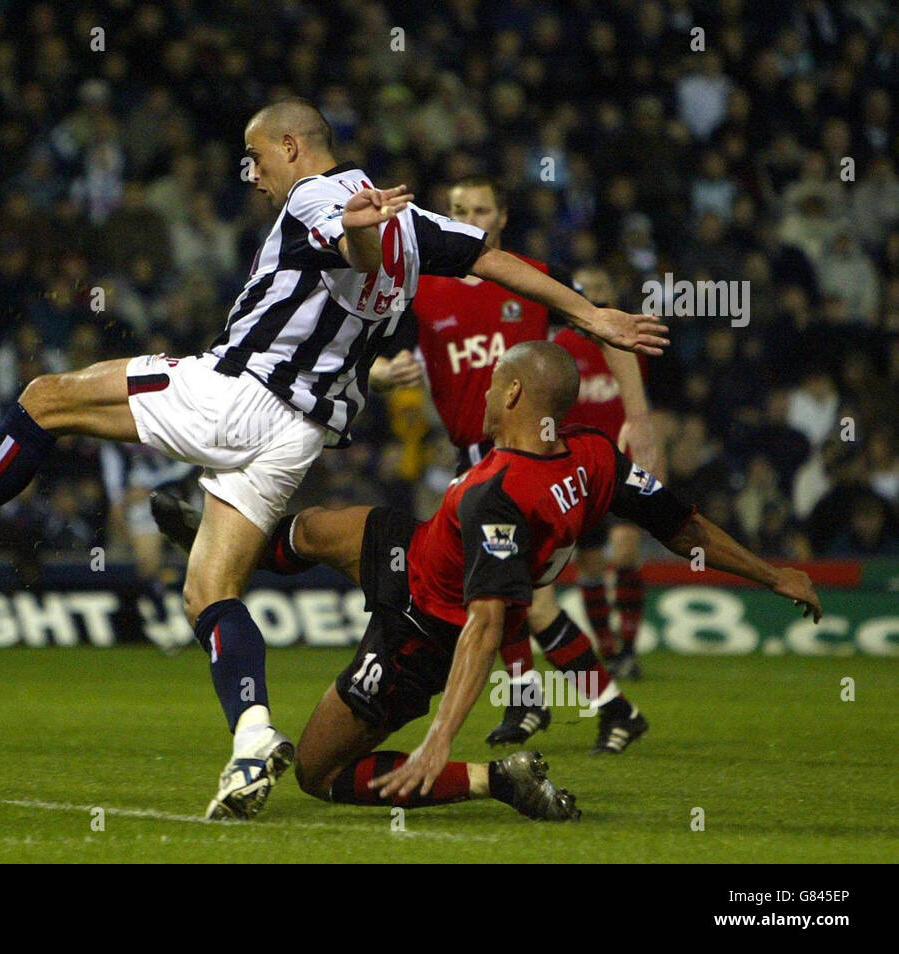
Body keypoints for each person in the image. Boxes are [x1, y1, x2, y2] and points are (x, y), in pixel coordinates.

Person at [0, 99, 668, 820]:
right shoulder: (415, 224)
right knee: (210, 589)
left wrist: (360, 234)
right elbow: (492, 260)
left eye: (255, 157)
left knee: (49, 396)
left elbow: (343, 240)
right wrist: (589, 315)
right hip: (297, 437)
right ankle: (252, 735)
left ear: (294, 147)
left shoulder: (321, 193)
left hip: (240, 396)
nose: (251, 175)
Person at [155, 342, 821, 810]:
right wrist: (774, 574)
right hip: (414, 547)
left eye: (493, 381)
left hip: (419, 628)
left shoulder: (497, 496)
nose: (484, 392)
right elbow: (686, 527)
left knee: (318, 772)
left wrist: (436, 742)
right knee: (316, 528)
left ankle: (494, 781)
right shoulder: (594, 456)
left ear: (513, 392)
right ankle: (219, 538)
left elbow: (484, 624)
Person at [368, 177, 662, 751]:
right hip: (470, 458)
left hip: (526, 460)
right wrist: (380, 375)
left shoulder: (531, 277)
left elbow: (606, 327)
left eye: (480, 209)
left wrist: (640, 417)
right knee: (501, 594)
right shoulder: (419, 281)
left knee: (517, 595)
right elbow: (360, 342)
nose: (469, 219)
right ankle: (542, 702)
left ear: (502, 215)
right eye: (456, 210)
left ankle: (599, 706)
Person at [554, 265, 648, 679]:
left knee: (626, 552)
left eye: (601, 287)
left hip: (624, 463)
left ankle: (628, 649)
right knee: (590, 565)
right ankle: (608, 652)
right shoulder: (559, 346)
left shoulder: (631, 342)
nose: (594, 295)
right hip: (579, 469)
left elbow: (645, 406)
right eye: (585, 290)